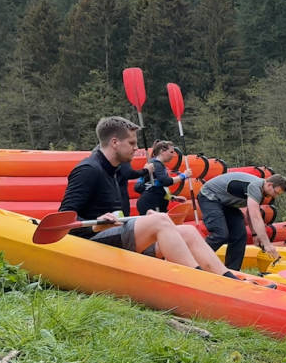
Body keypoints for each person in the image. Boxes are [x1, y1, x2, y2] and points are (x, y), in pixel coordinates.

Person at [59, 116, 234, 277]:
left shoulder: (117, 169)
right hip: (91, 244)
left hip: (116, 237)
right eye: (131, 143)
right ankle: (199, 281)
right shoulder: (88, 170)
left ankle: (229, 279)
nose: (136, 148)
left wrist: (142, 219)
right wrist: (95, 226)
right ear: (114, 142)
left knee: (187, 231)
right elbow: (64, 220)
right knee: (160, 221)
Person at [198, 171, 286, 271]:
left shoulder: (262, 191)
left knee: (240, 235)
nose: (275, 196)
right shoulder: (255, 187)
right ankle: (194, 260)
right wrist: (267, 244)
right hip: (210, 196)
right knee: (221, 234)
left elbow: (250, 213)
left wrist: (255, 235)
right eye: (275, 193)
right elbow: (256, 218)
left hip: (227, 204)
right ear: (269, 184)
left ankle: (232, 271)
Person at [133, 140, 188, 215]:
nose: (173, 155)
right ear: (162, 152)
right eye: (171, 152)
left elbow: (159, 188)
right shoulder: (156, 165)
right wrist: (184, 175)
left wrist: (172, 197)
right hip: (150, 203)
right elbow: (166, 181)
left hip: (157, 202)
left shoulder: (159, 165)